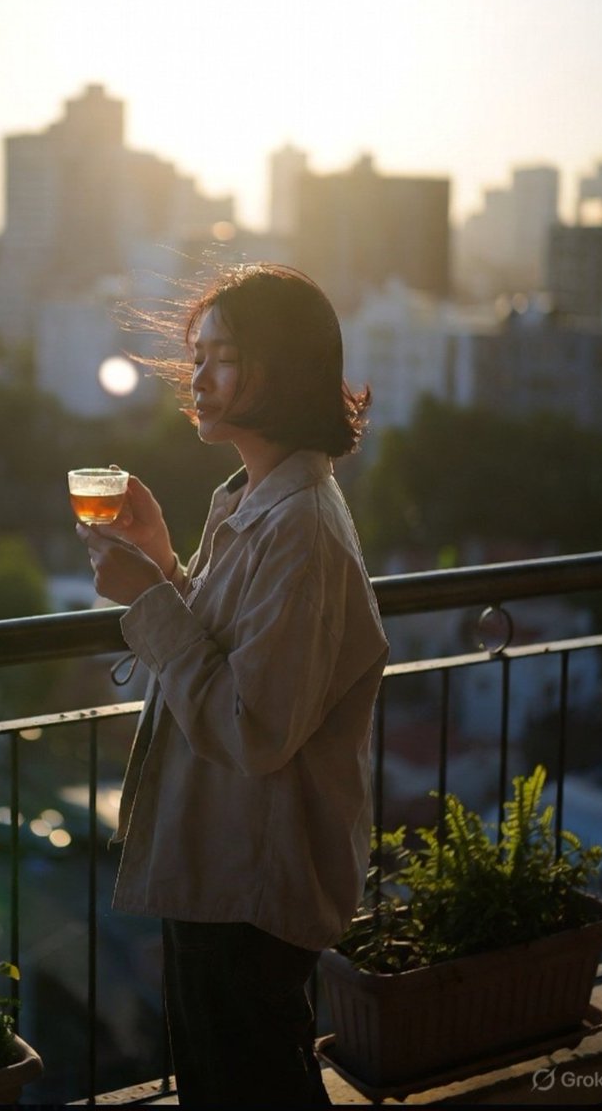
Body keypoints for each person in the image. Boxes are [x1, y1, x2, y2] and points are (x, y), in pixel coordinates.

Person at [75, 263, 389, 1108]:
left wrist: (147, 597)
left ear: (279, 371)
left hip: (252, 881)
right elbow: (235, 656)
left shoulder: (302, 530)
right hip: (223, 865)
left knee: (251, 1087)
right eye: (197, 355)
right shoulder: (251, 502)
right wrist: (169, 565)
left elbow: (253, 728)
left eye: (222, 358)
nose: (198, 378)